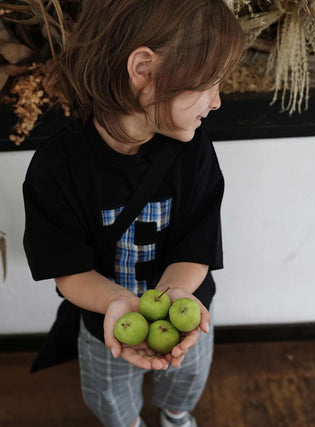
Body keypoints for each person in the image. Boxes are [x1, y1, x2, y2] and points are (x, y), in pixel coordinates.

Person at [22, 0, 245, 426]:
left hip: (185, 311)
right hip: (103, 320)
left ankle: (176, 416)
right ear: (144, 69)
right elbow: (69, 271)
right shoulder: (58, 167)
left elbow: (195, 247)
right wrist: (116, 302)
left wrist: (174, 294)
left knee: (186, 379)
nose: (217, 102)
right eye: (208, 83)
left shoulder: (194, 151)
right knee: (109, 397)